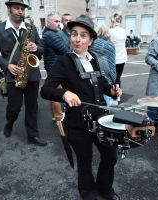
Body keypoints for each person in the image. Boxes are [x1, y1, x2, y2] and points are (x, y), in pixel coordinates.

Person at [40, 15, 122, 200]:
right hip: (78, 123)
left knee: (110, 157)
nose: (77, 39)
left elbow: (102, 86)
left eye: (83, 35)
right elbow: (45, 90)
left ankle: (104, 188)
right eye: (74, 34)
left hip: (102, 121)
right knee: (85, 162)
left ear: (91, 40)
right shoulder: (64, 61)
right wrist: (64, 94)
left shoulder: (97, 60)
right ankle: (87, 192)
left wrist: (113, 91)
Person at [0, 0, 47, 146]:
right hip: (12, 74)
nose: (20, 11)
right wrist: (6, 65)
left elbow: (41, 48)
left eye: (22, 9)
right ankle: (9, 123)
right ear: (9, 9)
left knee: (32, 107)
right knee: (14, 108)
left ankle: (33, 135)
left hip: (32, 74)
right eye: (17, 8)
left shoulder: (30, 28)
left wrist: (36, 48)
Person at [41, 13, 69, 122]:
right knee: (57, 93)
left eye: (59, 21)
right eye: (56, 21)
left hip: (51, 66)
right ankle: (59, 117)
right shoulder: (50, 35)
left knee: (52, 92)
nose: (59, 24)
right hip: (55, 68)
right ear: (48, 22)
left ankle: (55, 115)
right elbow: (65, 49)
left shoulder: (49, 33)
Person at [90, 24, 117, 106]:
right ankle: (106, 109)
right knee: (106, 90)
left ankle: (104, 110)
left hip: (97, 70)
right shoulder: (111, 44)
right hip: (109, 69)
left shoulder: (94, 43)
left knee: (99, 91)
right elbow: (113, 59)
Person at [109, 14, 127, 88]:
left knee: (112, 78)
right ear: (121, 21)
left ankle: (114, 95)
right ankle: (118, 93)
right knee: (118, 77)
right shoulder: (124, 31)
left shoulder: (110, 31)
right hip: (122, 57)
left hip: (113, 58)